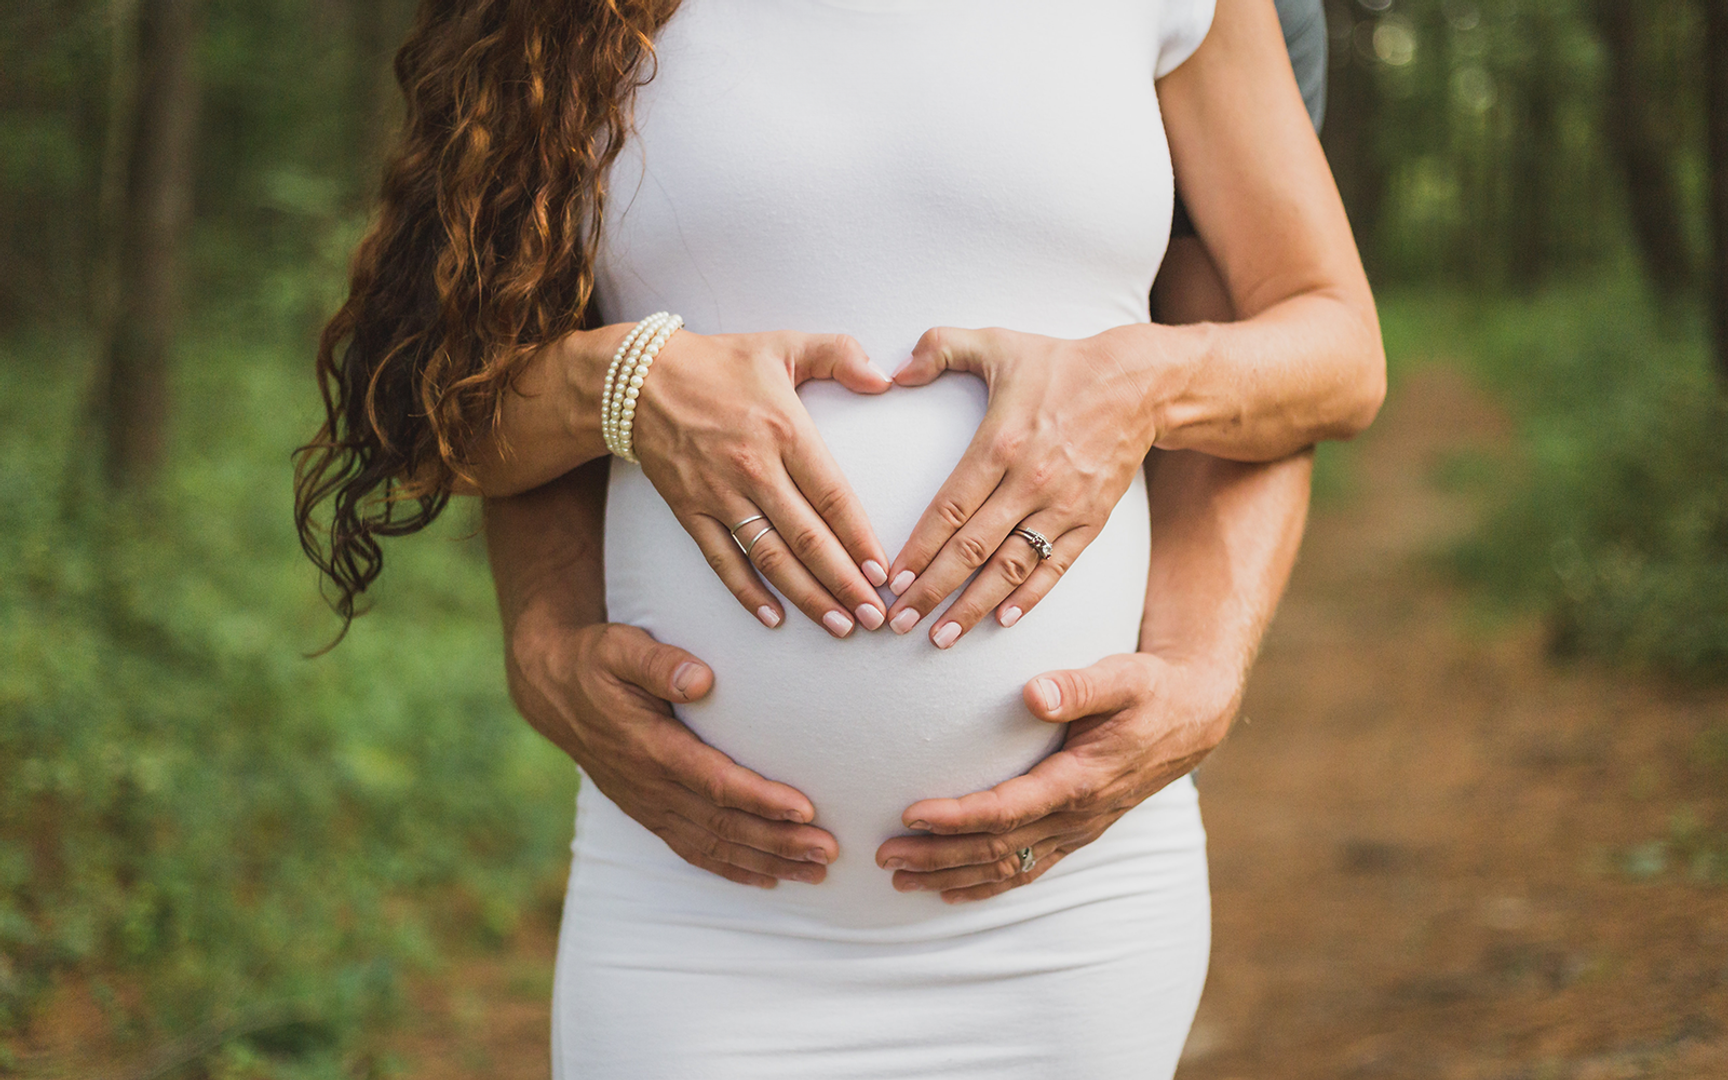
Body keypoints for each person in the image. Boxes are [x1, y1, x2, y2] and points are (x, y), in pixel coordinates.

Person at [295, 0, 1381, 1076]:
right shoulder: (558, 17)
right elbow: (430, 415)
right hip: (693, 913)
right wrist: (625, 385)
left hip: (1063, 911)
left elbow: (1329, 346)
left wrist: (1140, 386)